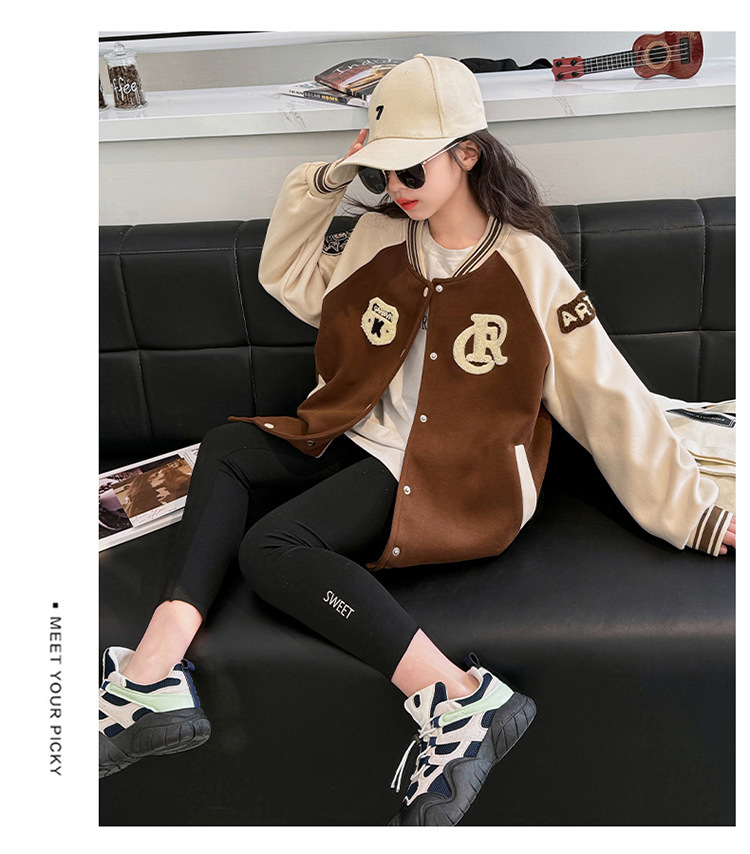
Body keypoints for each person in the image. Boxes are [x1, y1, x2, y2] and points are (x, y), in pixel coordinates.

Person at [98, 55, 737, 826]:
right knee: (228, 447)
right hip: (362, 437)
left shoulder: (527, 266)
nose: (396, 188)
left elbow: (608, 395)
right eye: (382, 173)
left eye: (411, 169)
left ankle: (461, 699)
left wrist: (696, 515)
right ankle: (154, 673)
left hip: (454, 471)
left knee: (274, 549)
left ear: (466, 154)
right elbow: (287, 275)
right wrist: (331, 179)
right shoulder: (376, 240)